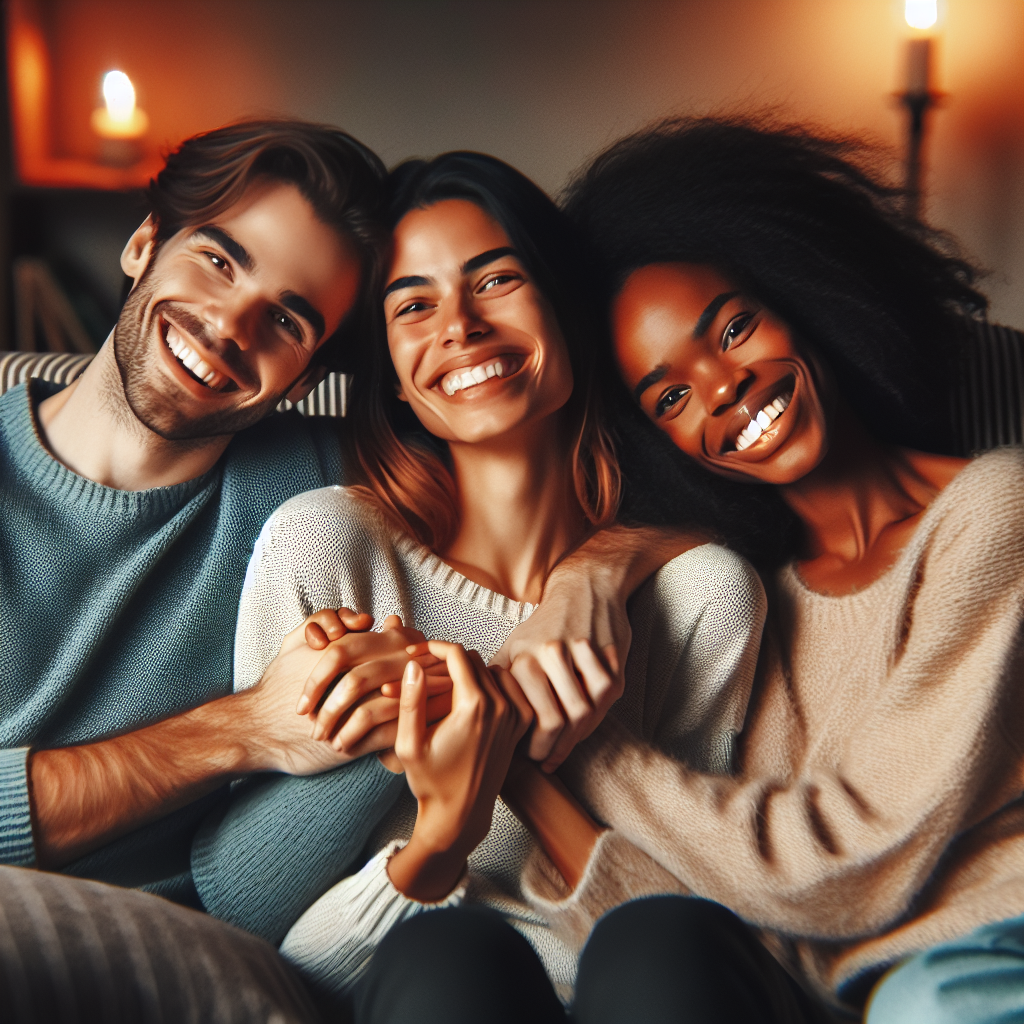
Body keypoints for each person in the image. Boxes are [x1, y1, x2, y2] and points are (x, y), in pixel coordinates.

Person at [0, 118, 686, 1019]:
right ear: (142, 243)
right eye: (218, 260)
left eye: (287, 318)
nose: (230, 326)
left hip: (211, 961)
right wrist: (244, 727)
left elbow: (593, 458)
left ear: (308, 370)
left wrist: (598, 570)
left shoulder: (333, 486)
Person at [225, 150, 775, 1020]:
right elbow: (268, 937)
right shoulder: (329, 547)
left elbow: (713, 907)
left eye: (497, 281)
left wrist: (519, 757)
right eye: (414, 306)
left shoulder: (702, 594)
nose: (460, 326)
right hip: (423, 990)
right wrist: (441, 837)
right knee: (448, 954)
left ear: (566, 311)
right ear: (395, 378)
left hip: (643, 982)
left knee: (662, 941)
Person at [558, 115, 1024, 1020]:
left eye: (732, 328)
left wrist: (587, 748)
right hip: (833, 984)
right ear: (659, 443)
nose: (724, 387)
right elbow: (742, 890)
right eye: (671, 395)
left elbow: (842, 862)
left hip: (984, 954)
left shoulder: (993, 511)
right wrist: (598, 565)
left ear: (803, 298)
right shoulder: (741, 598)